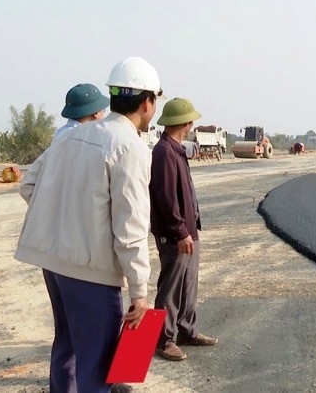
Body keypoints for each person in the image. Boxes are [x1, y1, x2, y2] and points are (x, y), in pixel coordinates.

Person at [16, 56, 162, 392]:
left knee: (66, 344)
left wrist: (67, 217)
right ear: (147, 102)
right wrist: (140, 292)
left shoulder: (70, 137)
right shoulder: (130, 148)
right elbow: (131, 228)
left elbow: (29, 186)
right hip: (90, 273)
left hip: (54, 264)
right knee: (97, 365)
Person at [150, 97, 218, 362]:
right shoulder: (165, 152)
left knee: (188, 285)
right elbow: (166, 197)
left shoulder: (175, 149)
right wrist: (180, 231)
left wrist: (190, 229)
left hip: (188, 232)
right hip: (176, 236)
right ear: (186, 122)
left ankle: (187, 331)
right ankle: (163, 340)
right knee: (170, 288)